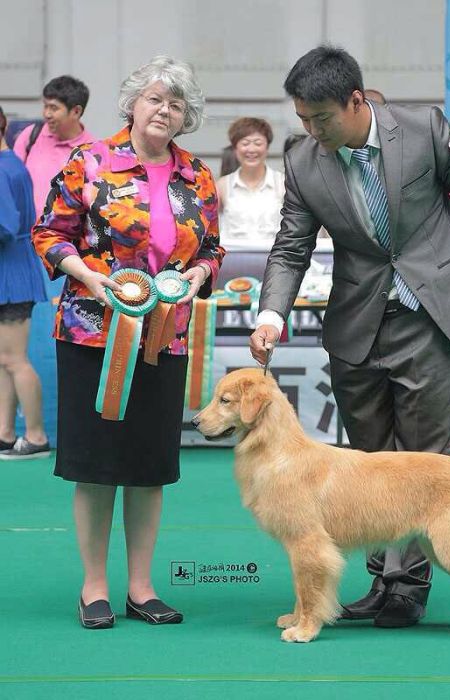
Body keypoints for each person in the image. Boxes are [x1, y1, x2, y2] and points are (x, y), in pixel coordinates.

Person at [250, 46, 450, 628]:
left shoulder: (426, 127)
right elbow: (291, 248)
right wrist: (271, 314)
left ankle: (409, 587)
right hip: (357, 322)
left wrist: (431, 256)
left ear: (356, 101)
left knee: (424, 460)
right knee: (366, 462)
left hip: (429, 319)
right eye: (303, 119)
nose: (312, 130)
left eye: (322, 119)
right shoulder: (304, 160)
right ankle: (381, 581)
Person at [32, 56, 224, 629]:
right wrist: (88, 276)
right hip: (93, 332)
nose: (164, 110)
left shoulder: (198, 175)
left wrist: (197, 275)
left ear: (186, 117)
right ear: (133, 104)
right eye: (155, 99)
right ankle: (94, 588)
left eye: (177, 104)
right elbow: (49, 232)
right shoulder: (89, 161)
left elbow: (211, 248)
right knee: (96, 465)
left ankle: (141, 587)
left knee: (149, 464)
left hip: (168, 337)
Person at [0, 107, 49, 459]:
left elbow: (4, 225)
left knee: (15, 360)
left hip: (11, 273)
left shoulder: (3, 168)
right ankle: (4, 433)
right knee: (6, 359)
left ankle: (35, 437)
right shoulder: (12, 164)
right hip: (13, 270)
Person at [13, 75, 94, 217]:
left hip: (63, 237)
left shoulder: (91, 151)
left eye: (54, 108)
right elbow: (11, 180)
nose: (47, 114)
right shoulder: (31, 135)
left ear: (76, 111)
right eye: (45, 106)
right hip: (24, 234)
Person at [217, 117, 284, 246]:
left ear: (267, 147)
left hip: (276, 260)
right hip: (234, 261)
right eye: (245, 143)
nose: (251, 149)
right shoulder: (222, 185)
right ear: (235, 148)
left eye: (258, 143)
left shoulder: (283, 183)